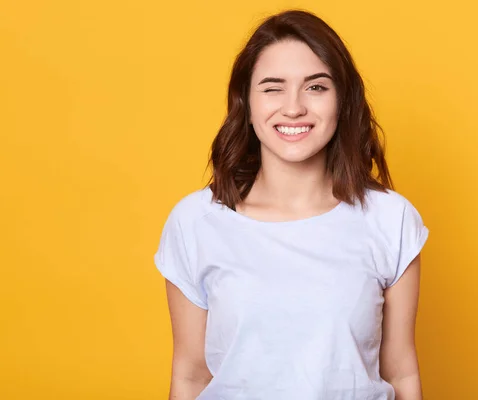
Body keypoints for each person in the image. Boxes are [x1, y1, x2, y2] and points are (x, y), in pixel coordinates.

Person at [154, 9, 429, 400]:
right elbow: (191, 376)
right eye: (272, 87)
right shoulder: (196, 222)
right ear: (246, 104)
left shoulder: (391, 220)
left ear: (341, 101)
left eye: (316, 87)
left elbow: (401, 373)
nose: (294, 107)